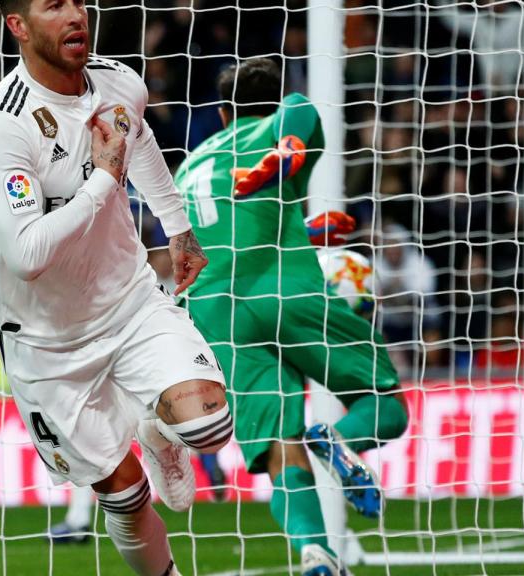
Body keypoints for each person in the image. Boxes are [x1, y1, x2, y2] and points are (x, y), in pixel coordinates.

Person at [0, 1, 233, 574]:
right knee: (127, 499)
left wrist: (177, 226)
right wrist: (102, 179)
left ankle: (158, 431)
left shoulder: (119, 83)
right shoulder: (0, 124)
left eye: (79, 3)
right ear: (18, 26)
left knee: (209, 425)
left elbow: (139, 145)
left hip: (128, 300)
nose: (76, 16)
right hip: (46, 339)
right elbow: (26, 254)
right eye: (54, 6)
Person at [176, 58, 410, 575]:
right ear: (277, 97)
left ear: (220, 113)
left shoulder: (188, 166)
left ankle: (315, 553)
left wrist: (305, 230)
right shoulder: (287, 114)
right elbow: (296, 124)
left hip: (217, 315)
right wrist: (283, 155)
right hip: (287, 290)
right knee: (386, 406)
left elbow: (220, 238)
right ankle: (338, 439)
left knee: (282, 451)